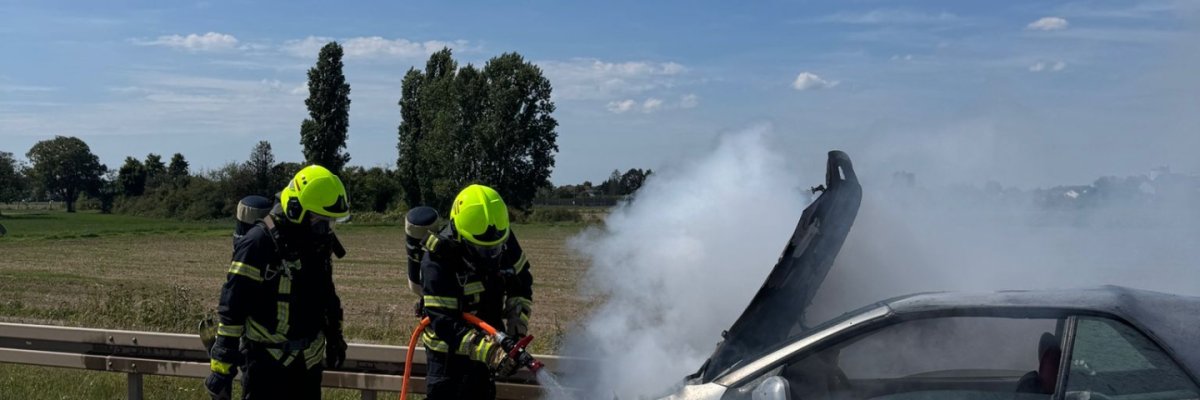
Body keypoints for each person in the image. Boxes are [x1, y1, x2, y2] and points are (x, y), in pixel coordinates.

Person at [204, 165, 350, 400]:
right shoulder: (258, 244)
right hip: (266, 367)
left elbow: (326, 295)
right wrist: (222, 369)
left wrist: (335, 337)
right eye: (320, 221)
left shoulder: (316, 243)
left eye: (331, 223)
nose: (326, 230)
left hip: (307, 365)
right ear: (295, 210)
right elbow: (232, 308)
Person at [420, 184, 534, 399]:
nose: (490, 254)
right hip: (447, 359)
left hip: (488, 349)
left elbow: (522, 284)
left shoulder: (502, 237)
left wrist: (517, 325)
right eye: (481, 248)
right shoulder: (438, 259)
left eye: (495, 247)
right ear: (461, 236)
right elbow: (444, 323)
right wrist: (491, 352)